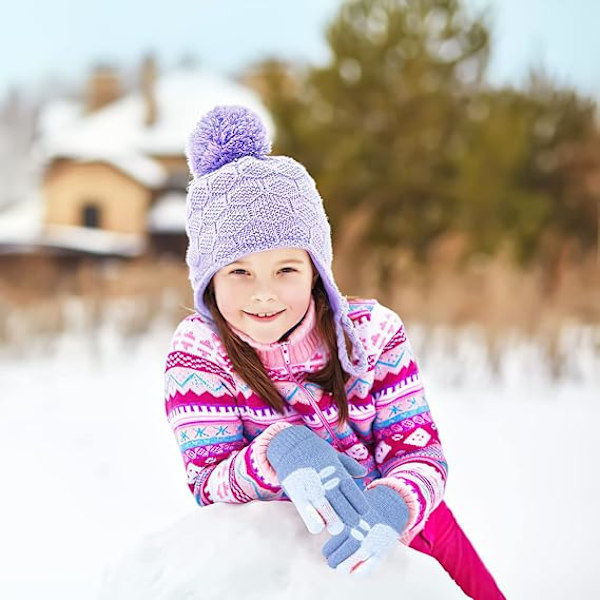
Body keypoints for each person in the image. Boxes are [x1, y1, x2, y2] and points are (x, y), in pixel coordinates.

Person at [164, 105, 505, 598]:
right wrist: (278, 450)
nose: (263, 294)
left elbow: (420, 452)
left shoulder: (372, 334)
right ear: (208, 279)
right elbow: (208, 483)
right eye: (238, 272)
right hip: (300, 560)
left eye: (286, 270)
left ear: (316, 273)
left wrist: (395, 503)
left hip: (418, 535)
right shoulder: (201, 353)